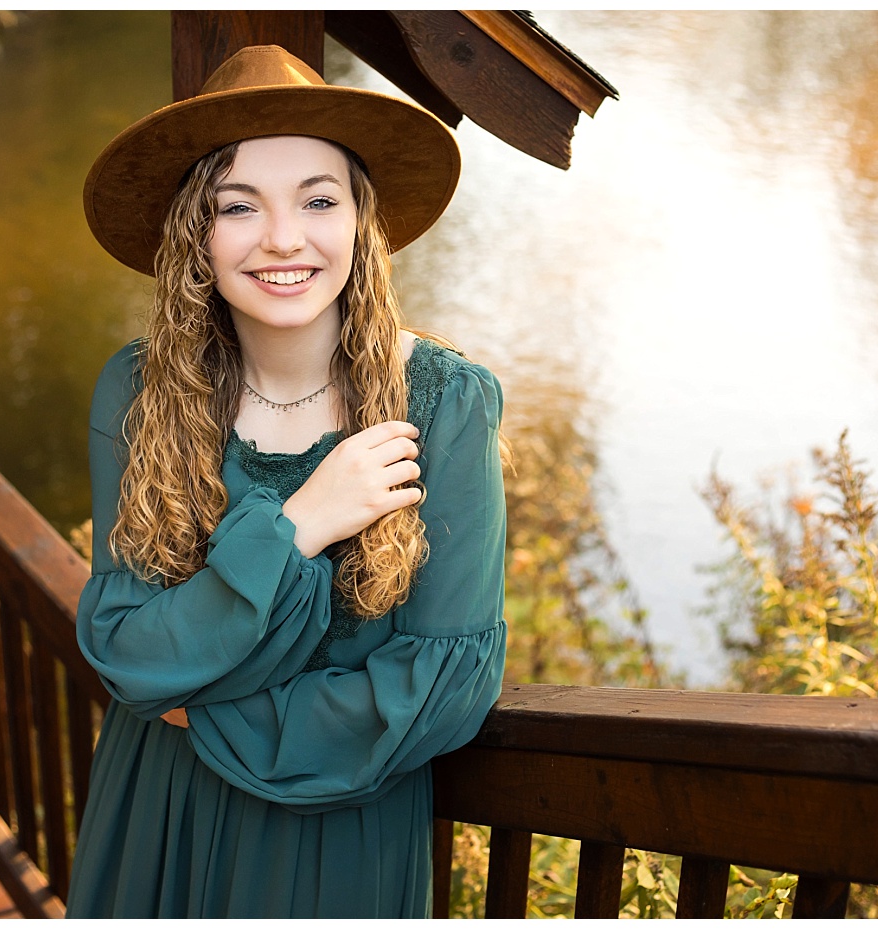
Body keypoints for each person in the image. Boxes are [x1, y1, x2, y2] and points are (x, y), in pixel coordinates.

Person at [67, 46, 508, 917]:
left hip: (333, 834)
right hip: (158, 806)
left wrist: (202, 709)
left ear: (360, 220)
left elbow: (442, 682)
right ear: (197, 232)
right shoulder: (136, 391)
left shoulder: (446, 404)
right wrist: (301, 524)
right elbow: (126, 645)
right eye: (239, 206)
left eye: (317, 199)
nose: (282, 237)